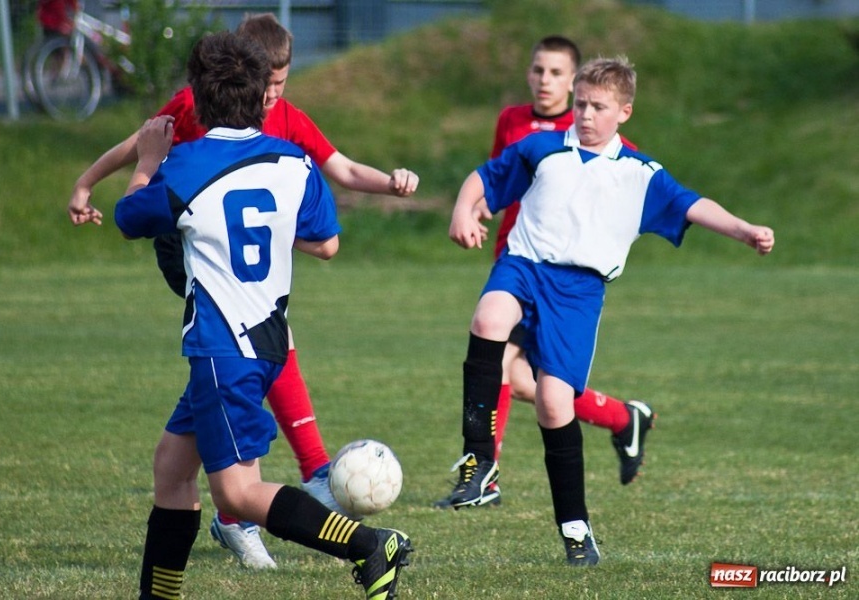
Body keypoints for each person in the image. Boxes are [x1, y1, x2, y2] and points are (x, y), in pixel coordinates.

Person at [68, 13, 419, 569]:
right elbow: (326, 240)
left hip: (221, 343)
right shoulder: (295, 164)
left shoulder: (183, 166)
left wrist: (149, 164)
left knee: (235, 495)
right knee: (171, 468)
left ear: (196, 104)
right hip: (265, 335)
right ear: (264, 100)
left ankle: (370, 545)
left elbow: (129, 217)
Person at [445, 55, 774, 565]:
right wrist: (463, 212)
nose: (585, 115)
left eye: (598, 107)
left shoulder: (640, 174)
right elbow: (483, 178)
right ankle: (478, 460)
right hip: (525, 266)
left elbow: (693, 204)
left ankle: (576, 528)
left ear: (624, 112)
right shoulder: (542, 149)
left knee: (555, 403)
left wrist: (744, 229)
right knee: (489, 319)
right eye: (580, 104)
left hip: (578, 292)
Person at [434, 37, 653, 511]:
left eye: (556, 73)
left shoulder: (595, 134)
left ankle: (484, 475)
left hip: (560, 277)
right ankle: (621, 417)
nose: (544, 80)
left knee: (506, 363)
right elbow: (497, 176)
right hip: (515, 262)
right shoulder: (512, 121)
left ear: (574, 81)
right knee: (525, 381)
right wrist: (474, 210)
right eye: (537, 70)